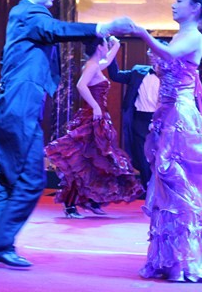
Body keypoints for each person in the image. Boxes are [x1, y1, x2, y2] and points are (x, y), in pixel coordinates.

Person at [0, 0, 135, 268]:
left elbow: (51, 35)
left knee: (10, 181)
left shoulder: (24, 16)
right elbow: (56, 30)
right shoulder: (29, 13)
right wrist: (102, 27)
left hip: (13, 107)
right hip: (18, 108)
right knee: (31, 179)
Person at [133, 0, 202, 282]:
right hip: (166, 114)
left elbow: (169, 56)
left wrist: (142, 34)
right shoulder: (180, 35)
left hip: (181, 115)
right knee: (167, 184)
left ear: (195, 7)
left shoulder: (194, 37)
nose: (173, 5)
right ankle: (168, 258)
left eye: (179, 0)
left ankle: (184, 261)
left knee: (181, 183)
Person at [45, 36, 143, 219]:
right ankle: (70, 205)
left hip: (98, 117)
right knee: (82, 161)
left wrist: (115, 42)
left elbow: (109, 59)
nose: (106, 47)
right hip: (92, 116)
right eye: (105, 44)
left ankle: (91, 200)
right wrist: (96, 106)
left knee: (96, 160)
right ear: (99, 47)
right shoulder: (91, 65)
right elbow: (80, 85)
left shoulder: (96, 64)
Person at [107, 53, 161, 192]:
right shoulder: (138, 71)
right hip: (140, 119)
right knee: (142, 155)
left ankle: (160, 189)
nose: (153, 56)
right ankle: (147, 186)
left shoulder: (171, 77)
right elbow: (115, 75)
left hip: (161, 120)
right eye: (151, 52)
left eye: (156, 52)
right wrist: (112, 51)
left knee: (160, 154)